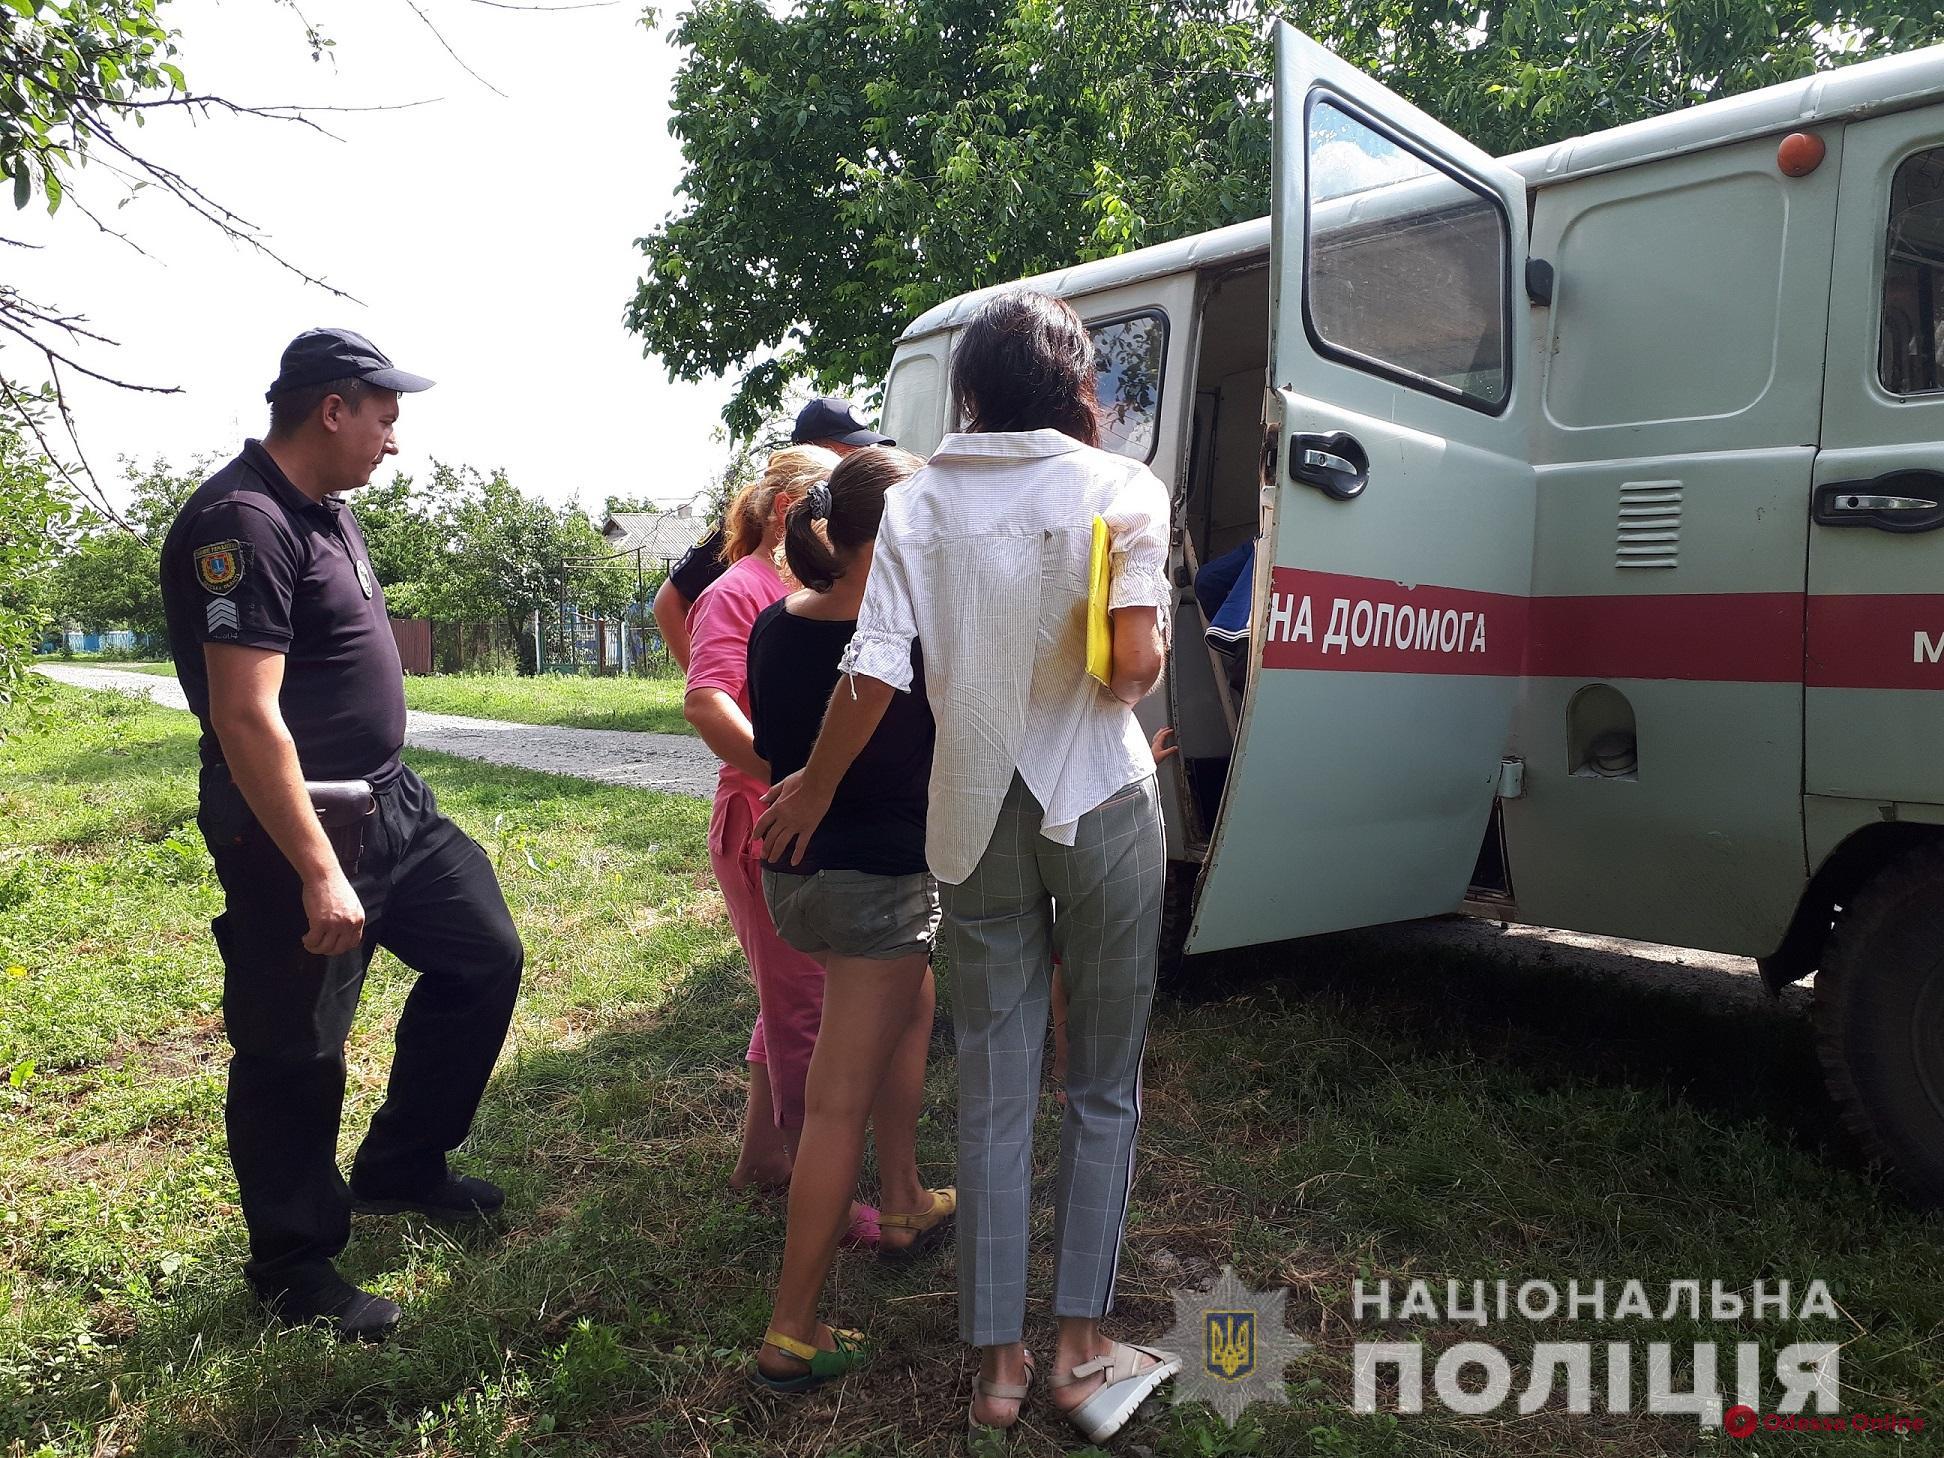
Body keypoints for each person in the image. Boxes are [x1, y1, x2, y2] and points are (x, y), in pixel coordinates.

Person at [757, 290, 1180, 1444]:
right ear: (1074, 386)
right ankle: (1083, 1353)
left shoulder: (920, 503)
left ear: (971, 388)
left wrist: (818, 786)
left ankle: (997, 1367)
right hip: (1099, 800)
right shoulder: (1122, 489)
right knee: (1100, 1083)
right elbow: (1132, 673)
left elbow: (874, 671)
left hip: (970, 818)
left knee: (993, 1086)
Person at [159, 328, 524, 1340]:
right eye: (385, 416)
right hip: (295, 823)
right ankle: (294, 1268)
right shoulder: (241, 522)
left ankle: (403, 1167)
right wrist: (320, 872)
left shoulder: (325, 514)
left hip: (391, 802)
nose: (393, 439)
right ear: (334, 408)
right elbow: (244, 716)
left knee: (482, 956)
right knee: (295, 1047)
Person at [746, 447, 956, 1392]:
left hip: (797, 885)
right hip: (877, 885)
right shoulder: (903, 637)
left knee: (914, 1001)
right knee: (836, 1103)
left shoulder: (771, 625)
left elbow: (773, 744)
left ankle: (905, 1199)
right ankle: (793, 1330)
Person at [682, 446, 843, 1196]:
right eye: (827, 507)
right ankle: (822, 1190)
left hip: (794, 820)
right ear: (788, 512)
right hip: (761, 824)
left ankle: (763, 1159)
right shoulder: (737, 590)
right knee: (805, 1008)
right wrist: (787, 781)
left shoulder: (808, 586)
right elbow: (705, 699)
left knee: (792, 994)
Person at [652, 398, 893, 668]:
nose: (862, 462)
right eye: (850, 453)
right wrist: (712, 680)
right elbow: (668, 602)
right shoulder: (755, 513)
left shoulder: (852, 515)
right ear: (812, 451)